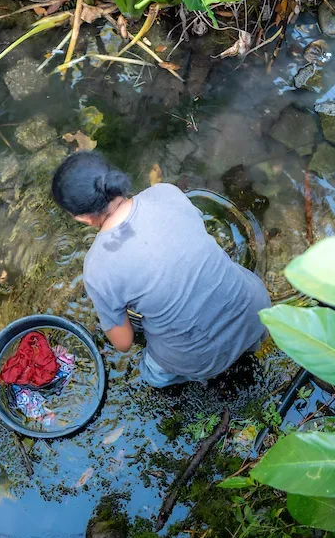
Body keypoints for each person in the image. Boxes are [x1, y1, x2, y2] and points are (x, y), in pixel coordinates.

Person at [50, 151, 271, 387]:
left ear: (82, 218)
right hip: (257, 309)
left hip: (202, 358)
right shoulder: (165, 193)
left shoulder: (97, 266)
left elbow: (124, 342)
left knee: (151, 374)